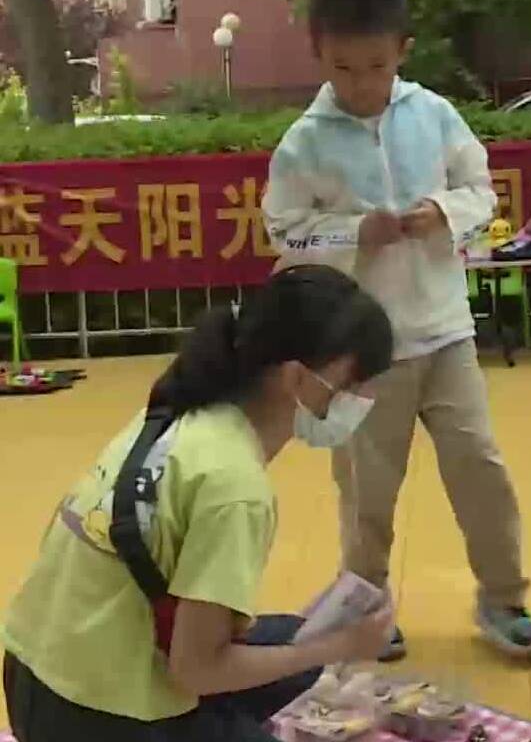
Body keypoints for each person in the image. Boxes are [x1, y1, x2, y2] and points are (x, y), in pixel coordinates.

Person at [262, 0, 531, 662]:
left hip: (446, 331)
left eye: (377, 66)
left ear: (403, 51)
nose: (361, 82)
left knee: (480, 465)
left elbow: (480, 189)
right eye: (343, 68)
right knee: (367, 488)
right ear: (318, 53)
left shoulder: (434, 114)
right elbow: (284, 232)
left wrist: (443, 211)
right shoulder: (304, 142)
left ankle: (504, 598)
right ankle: (366, 609)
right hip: (359, 349)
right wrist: (352, 233)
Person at [1, 266, 397, 742]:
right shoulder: (235, 486)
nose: (362, 399)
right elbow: (196, 671)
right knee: (307, 651)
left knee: (294, 639)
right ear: (296, 377)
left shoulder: (176, 413)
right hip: (96, 716)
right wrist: (338, 646)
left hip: (30, 673)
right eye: (352, 382)